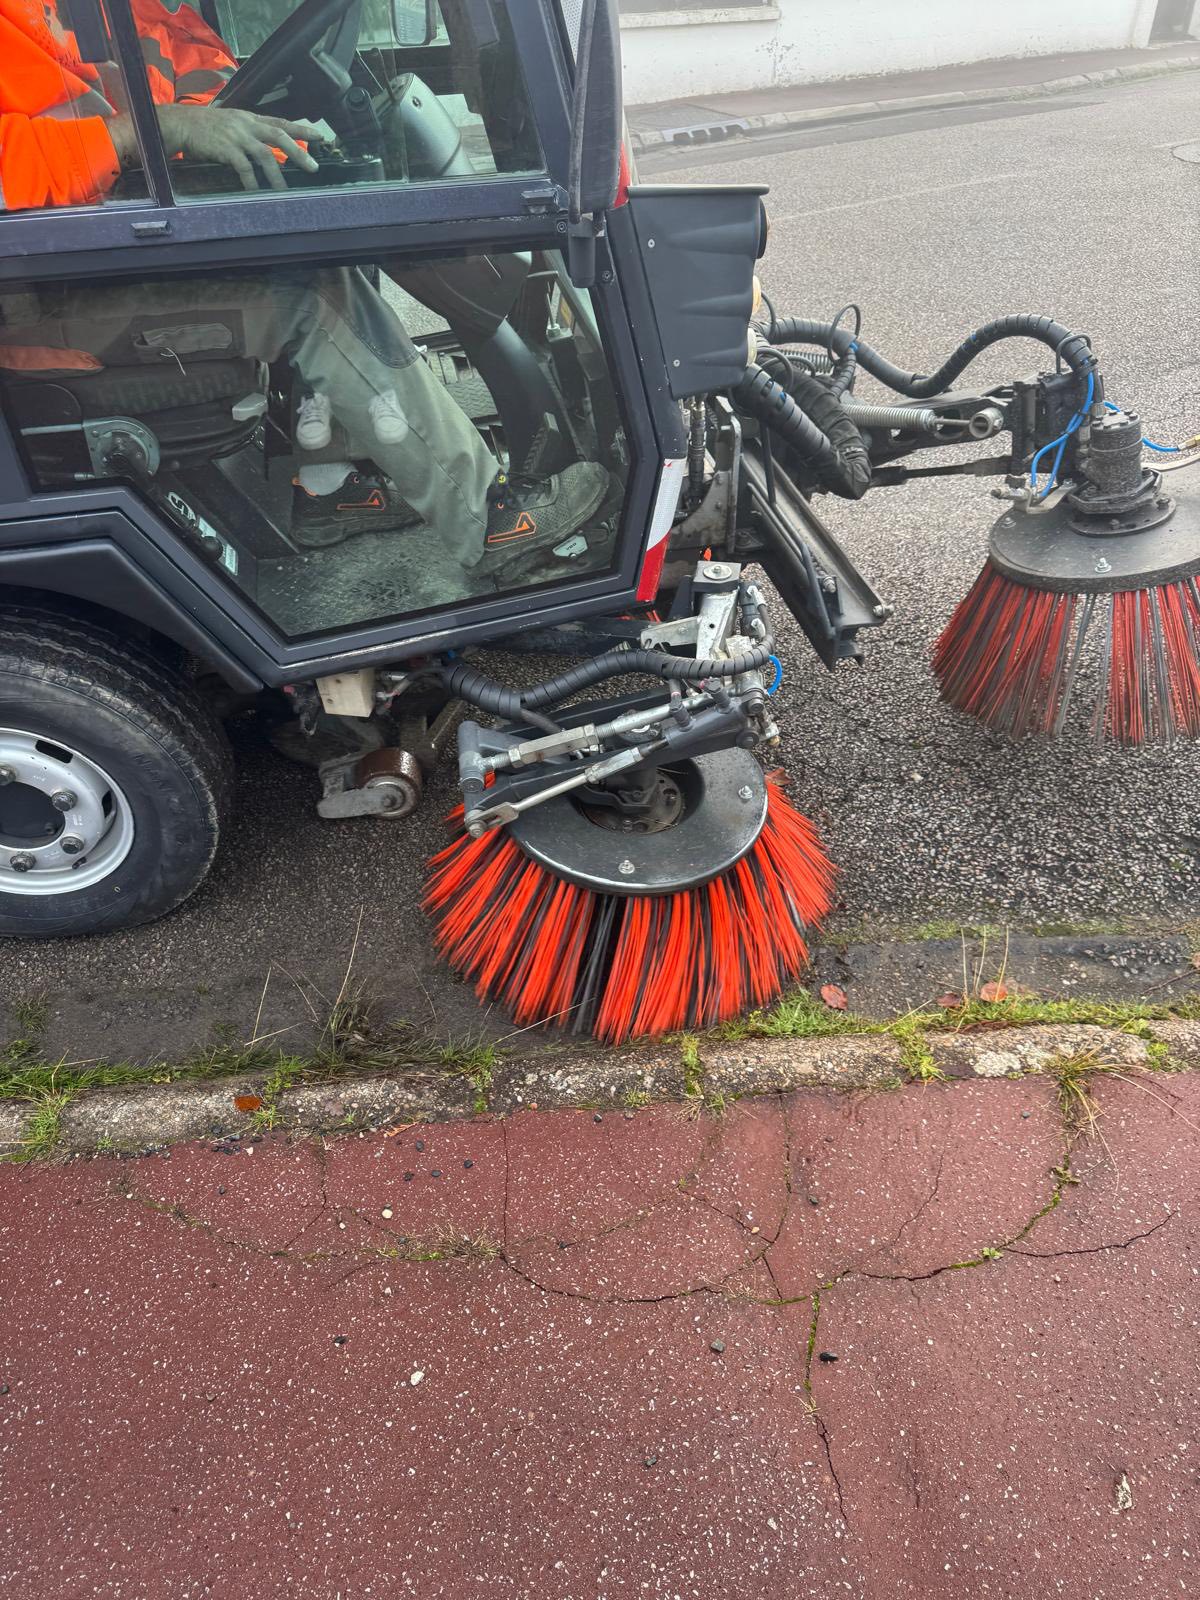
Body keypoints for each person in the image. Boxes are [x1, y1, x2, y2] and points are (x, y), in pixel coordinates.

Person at [0, 0, 608, 567]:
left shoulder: (105, 11)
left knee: (313, 236)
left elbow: (191, 84)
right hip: (36, 305)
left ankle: (328, 486)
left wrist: (237, 122)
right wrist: (147, 130)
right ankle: (491, 523)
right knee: (310, 295)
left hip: (95, 257)